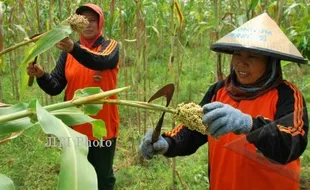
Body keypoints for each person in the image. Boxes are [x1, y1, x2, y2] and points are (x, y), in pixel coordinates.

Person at [139, 13, 308, 190]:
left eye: (252, 56)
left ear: (270, 62)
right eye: (237, 54)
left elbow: (292, 142)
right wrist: (167, 143)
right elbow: (194, 129)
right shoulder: (219, 91)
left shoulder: (287, 94)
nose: (241, 63)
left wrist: (249, 125)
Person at [27, 3, 119, 190]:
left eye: (93, 20)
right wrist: (41, 75)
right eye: (83, 20)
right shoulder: (69, 53)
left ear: (100, 23)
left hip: (102, 129)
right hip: (75, 128)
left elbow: (100, 61)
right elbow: (55, 86)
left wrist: (72, 49)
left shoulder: (110, 46)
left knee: (102, 178)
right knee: (77, 176)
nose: (88, 24)